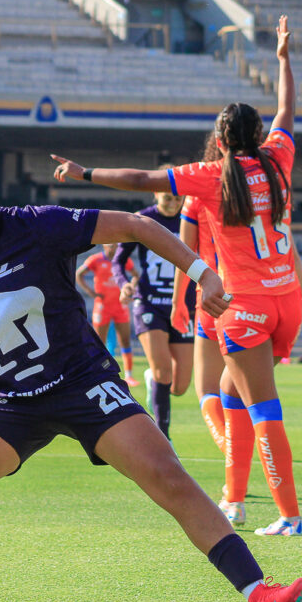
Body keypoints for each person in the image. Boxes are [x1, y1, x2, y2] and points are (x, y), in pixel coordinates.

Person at [0, 136, 302, 602]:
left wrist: (203, 274)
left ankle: (261, 596)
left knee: (167, 475)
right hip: (7, 402)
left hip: (83, 383)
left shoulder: (37, 224)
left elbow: (136, 225)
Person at [52, 16, 302, 537]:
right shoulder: (279, 159)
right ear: (259, 136)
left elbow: (140, 180)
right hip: (285, 301)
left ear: (220, 140)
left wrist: (86, 174)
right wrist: (284, 59)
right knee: (228, 393)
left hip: (242, 308)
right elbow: (289, 108)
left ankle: (289, 514)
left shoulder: (209, 177)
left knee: (262, 407)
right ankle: (235, 500)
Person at [110, 175, 196, 440]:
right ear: (156, 195)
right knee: (163, 370)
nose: (173, 204)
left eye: (178, 198)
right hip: (149, 303)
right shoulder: (143, 219)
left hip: (183, 305)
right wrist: (124, 283)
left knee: (180, 386)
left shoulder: (192, 221)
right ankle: (163, 435)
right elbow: (118, 260)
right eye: (167, 198)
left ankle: (152, 383)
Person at [170, 132, 230, 496]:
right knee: (246, 395)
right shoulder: (262, 187)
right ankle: (239, 471)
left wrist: (179, 303)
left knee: (207, 388)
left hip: (211, 298)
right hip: (257, 296)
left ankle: (232, 456)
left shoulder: (198, 193)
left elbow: (184, 254)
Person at [75, 243, 138, 385]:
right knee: (99, 342)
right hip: (102, 306)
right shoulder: (95, 259)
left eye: (116, 245)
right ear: (104, 245)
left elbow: (136, 275)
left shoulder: (123, 260)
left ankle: (129, 375)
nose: (113, 248)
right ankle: (99, 372)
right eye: (110, 245)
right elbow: (79, 274)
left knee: (125, 339)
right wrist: (90, 292)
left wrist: (130, 288)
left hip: (120, 305)